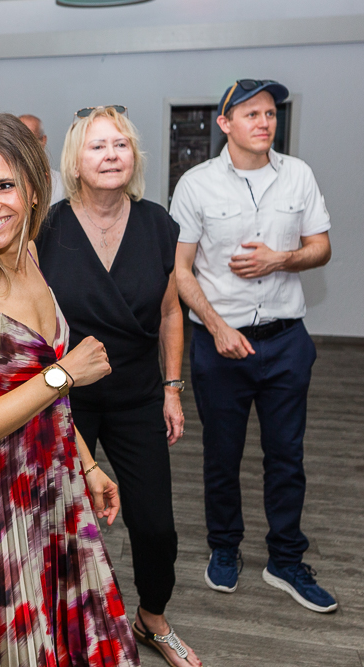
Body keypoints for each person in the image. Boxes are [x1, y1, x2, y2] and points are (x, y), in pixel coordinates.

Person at [0, 113, 137, 666]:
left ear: (35, 187)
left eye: (4, 186)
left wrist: (87, 466)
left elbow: (38, 395)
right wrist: (65, 373)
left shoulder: (30, 256)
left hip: (54, 486)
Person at [37, 106, 200, 667]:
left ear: (134, 157)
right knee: (60, 519)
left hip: (137, 392)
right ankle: (59, 624)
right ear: (76, 161)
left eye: (121, 145)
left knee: (156, 524)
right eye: (98, 146)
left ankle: (152, 620)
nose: (111, 155)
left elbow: (171, 311)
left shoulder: (158, 223)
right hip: (64, 395)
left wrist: (172, 388)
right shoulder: (46, 227)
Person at [170, 79, 336, 613]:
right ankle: (225, 548)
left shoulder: (299, 176)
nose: (264, 122)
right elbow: (180, 269)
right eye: (251, 114)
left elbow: (321, 248)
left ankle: (286, 560)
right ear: (225, 124)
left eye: (270, 113)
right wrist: (216, 327)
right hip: (220, 345)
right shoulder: (195, 185)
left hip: (287, 342)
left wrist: (280, 259)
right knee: (222, 456)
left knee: (287, 457)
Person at [19, 113, 65, 204]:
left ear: (43, 141)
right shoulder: (3, 183)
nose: (25, 147)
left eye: (31, 140)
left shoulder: (62, 185)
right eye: (19, 140)